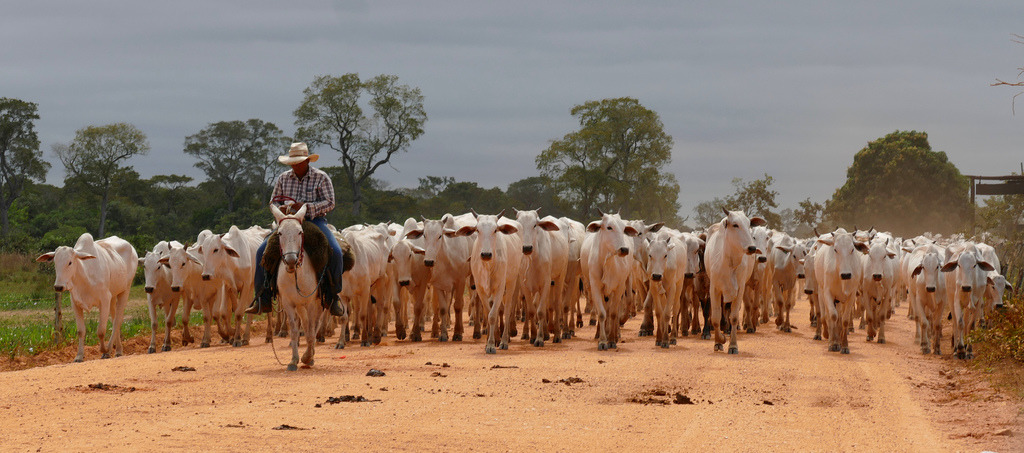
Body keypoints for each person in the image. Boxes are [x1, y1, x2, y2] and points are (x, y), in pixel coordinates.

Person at [246, 142, 345, 317]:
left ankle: (332, 296)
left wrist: (306, 207)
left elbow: (330, 202)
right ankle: (263, 298)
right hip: (288, 222)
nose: (295, 165)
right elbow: (273, 202)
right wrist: (281, 209)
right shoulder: (283, 178)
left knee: (335, 251)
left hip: (314, 221)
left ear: (307, 161)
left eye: (299, 162)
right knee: (262, 251)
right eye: (293, 162)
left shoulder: (321, 177)